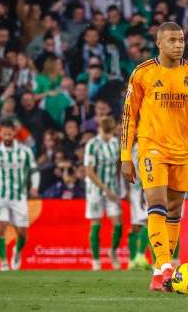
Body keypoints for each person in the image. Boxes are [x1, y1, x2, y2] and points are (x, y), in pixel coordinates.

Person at [120, 22, 188, 292]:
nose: (179, 45)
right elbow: (129, 117)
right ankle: (166, 266)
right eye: (173, 40)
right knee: (157, 203)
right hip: (152, 147)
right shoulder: (142, 73)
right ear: (159, 44)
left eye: (182, 40)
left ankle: (157, 274)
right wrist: (125, 155)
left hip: (182, 150)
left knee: (175, 211)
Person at [0, 118, 40, 271]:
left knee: (22, 234)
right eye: (4, 134)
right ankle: (3, 262)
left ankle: (17, 252)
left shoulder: (25, 152)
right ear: (0, 134)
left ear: (14, 133)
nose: (6, 137)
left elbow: (34, 171)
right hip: (0, 196)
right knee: (1, 228)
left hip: (19, 197)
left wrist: (34, 187)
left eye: (9, 134)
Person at [84, 116, 122, 271]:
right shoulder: (92, 145)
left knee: (118, 223)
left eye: (110, 132)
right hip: (95, 191)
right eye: (105, 132)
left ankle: (112, 251)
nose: (107, 135)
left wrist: (118, 188)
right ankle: (96, 260)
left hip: (112, 189)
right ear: (100, 129)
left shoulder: (115, 144)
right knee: (96, 224)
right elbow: (89, 171)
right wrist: (105, 189)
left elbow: (118, 166)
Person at [127, 142, 151, 270]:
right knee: (146, 222)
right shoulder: (142, 145)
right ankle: (138, 257)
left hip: (136, 189)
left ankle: (133, 260)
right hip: (141, 189)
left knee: (137, 225)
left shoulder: (130, 146)